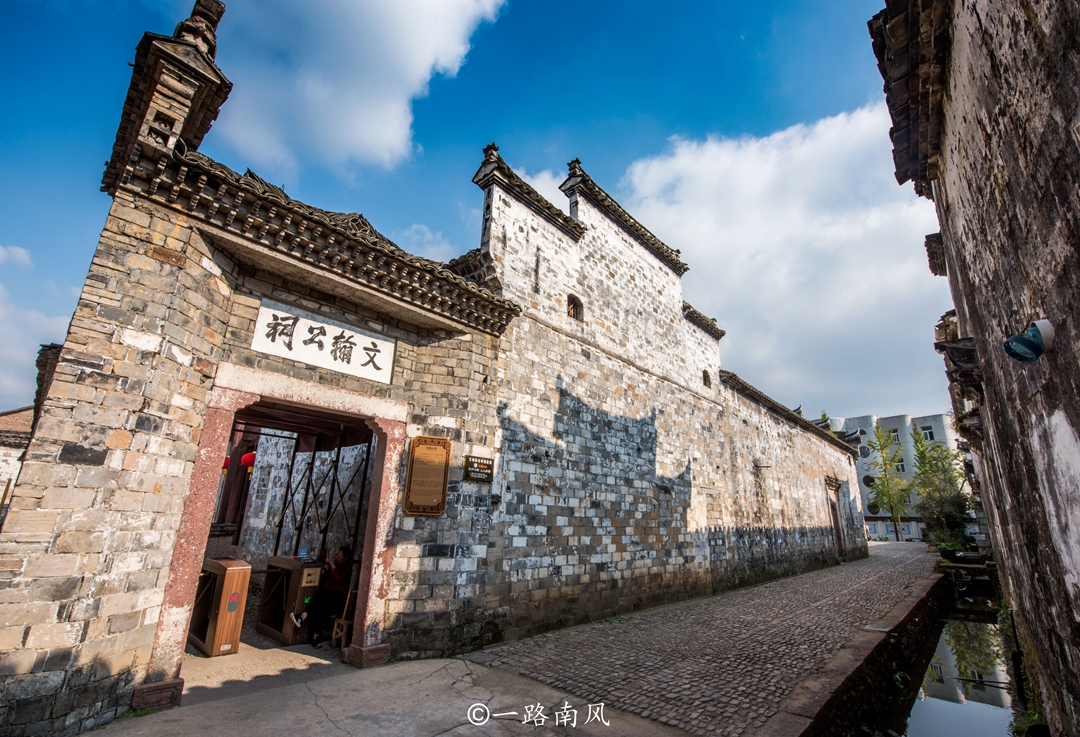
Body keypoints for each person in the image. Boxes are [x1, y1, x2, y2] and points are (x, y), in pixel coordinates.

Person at [290, 545, 352, 648]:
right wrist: (324, 570)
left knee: (321, 595)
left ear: (345, 558)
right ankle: (316, 637)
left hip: (338, 597)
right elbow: (323, 581)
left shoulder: (346, 567)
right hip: (326, 596)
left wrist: (333, 566)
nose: (335, 557)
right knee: (319, 606)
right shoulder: (332, 566)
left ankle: (303, 616)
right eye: (335, 555)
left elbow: (338, 579)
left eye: (338, 556)